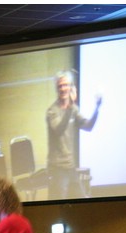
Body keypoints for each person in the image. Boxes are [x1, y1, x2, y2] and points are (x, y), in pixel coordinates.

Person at [46, 69, 102, 199]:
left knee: (83, 201)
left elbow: (88, 126)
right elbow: (59, 130)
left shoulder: (74, 110)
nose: (63, 88)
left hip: (70, 167)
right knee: (59, 205)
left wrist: (97, 108)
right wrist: (70, 107)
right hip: (57, 169)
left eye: (66, 85)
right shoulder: (52, 111)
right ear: (56, 89)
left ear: (71, 88)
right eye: (60, 86)